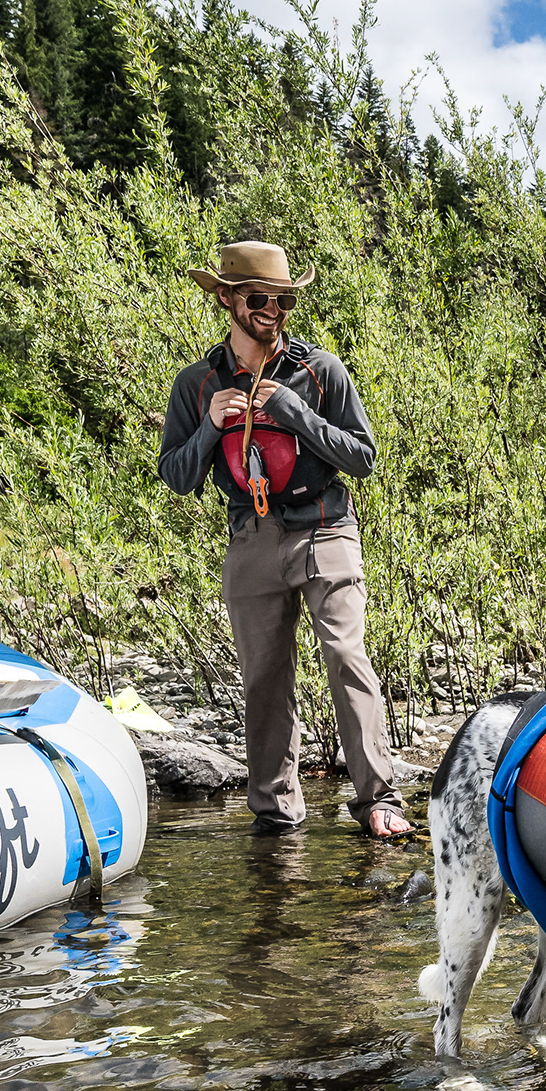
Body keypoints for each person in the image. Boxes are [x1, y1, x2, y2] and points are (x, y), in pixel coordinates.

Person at [155, 239, 410, 838]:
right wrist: (211, 428)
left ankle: (379, 798)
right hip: (251, 536)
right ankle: (276, 813)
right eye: (260, 299)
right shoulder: (196, 384)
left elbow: (364, 458)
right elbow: (176, 475)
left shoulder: (321, 372)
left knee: (346, 657)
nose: (274, 309)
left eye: (284, 300)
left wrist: (298, 414)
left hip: (325, 528)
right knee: (264, 676)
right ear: (227, 299)